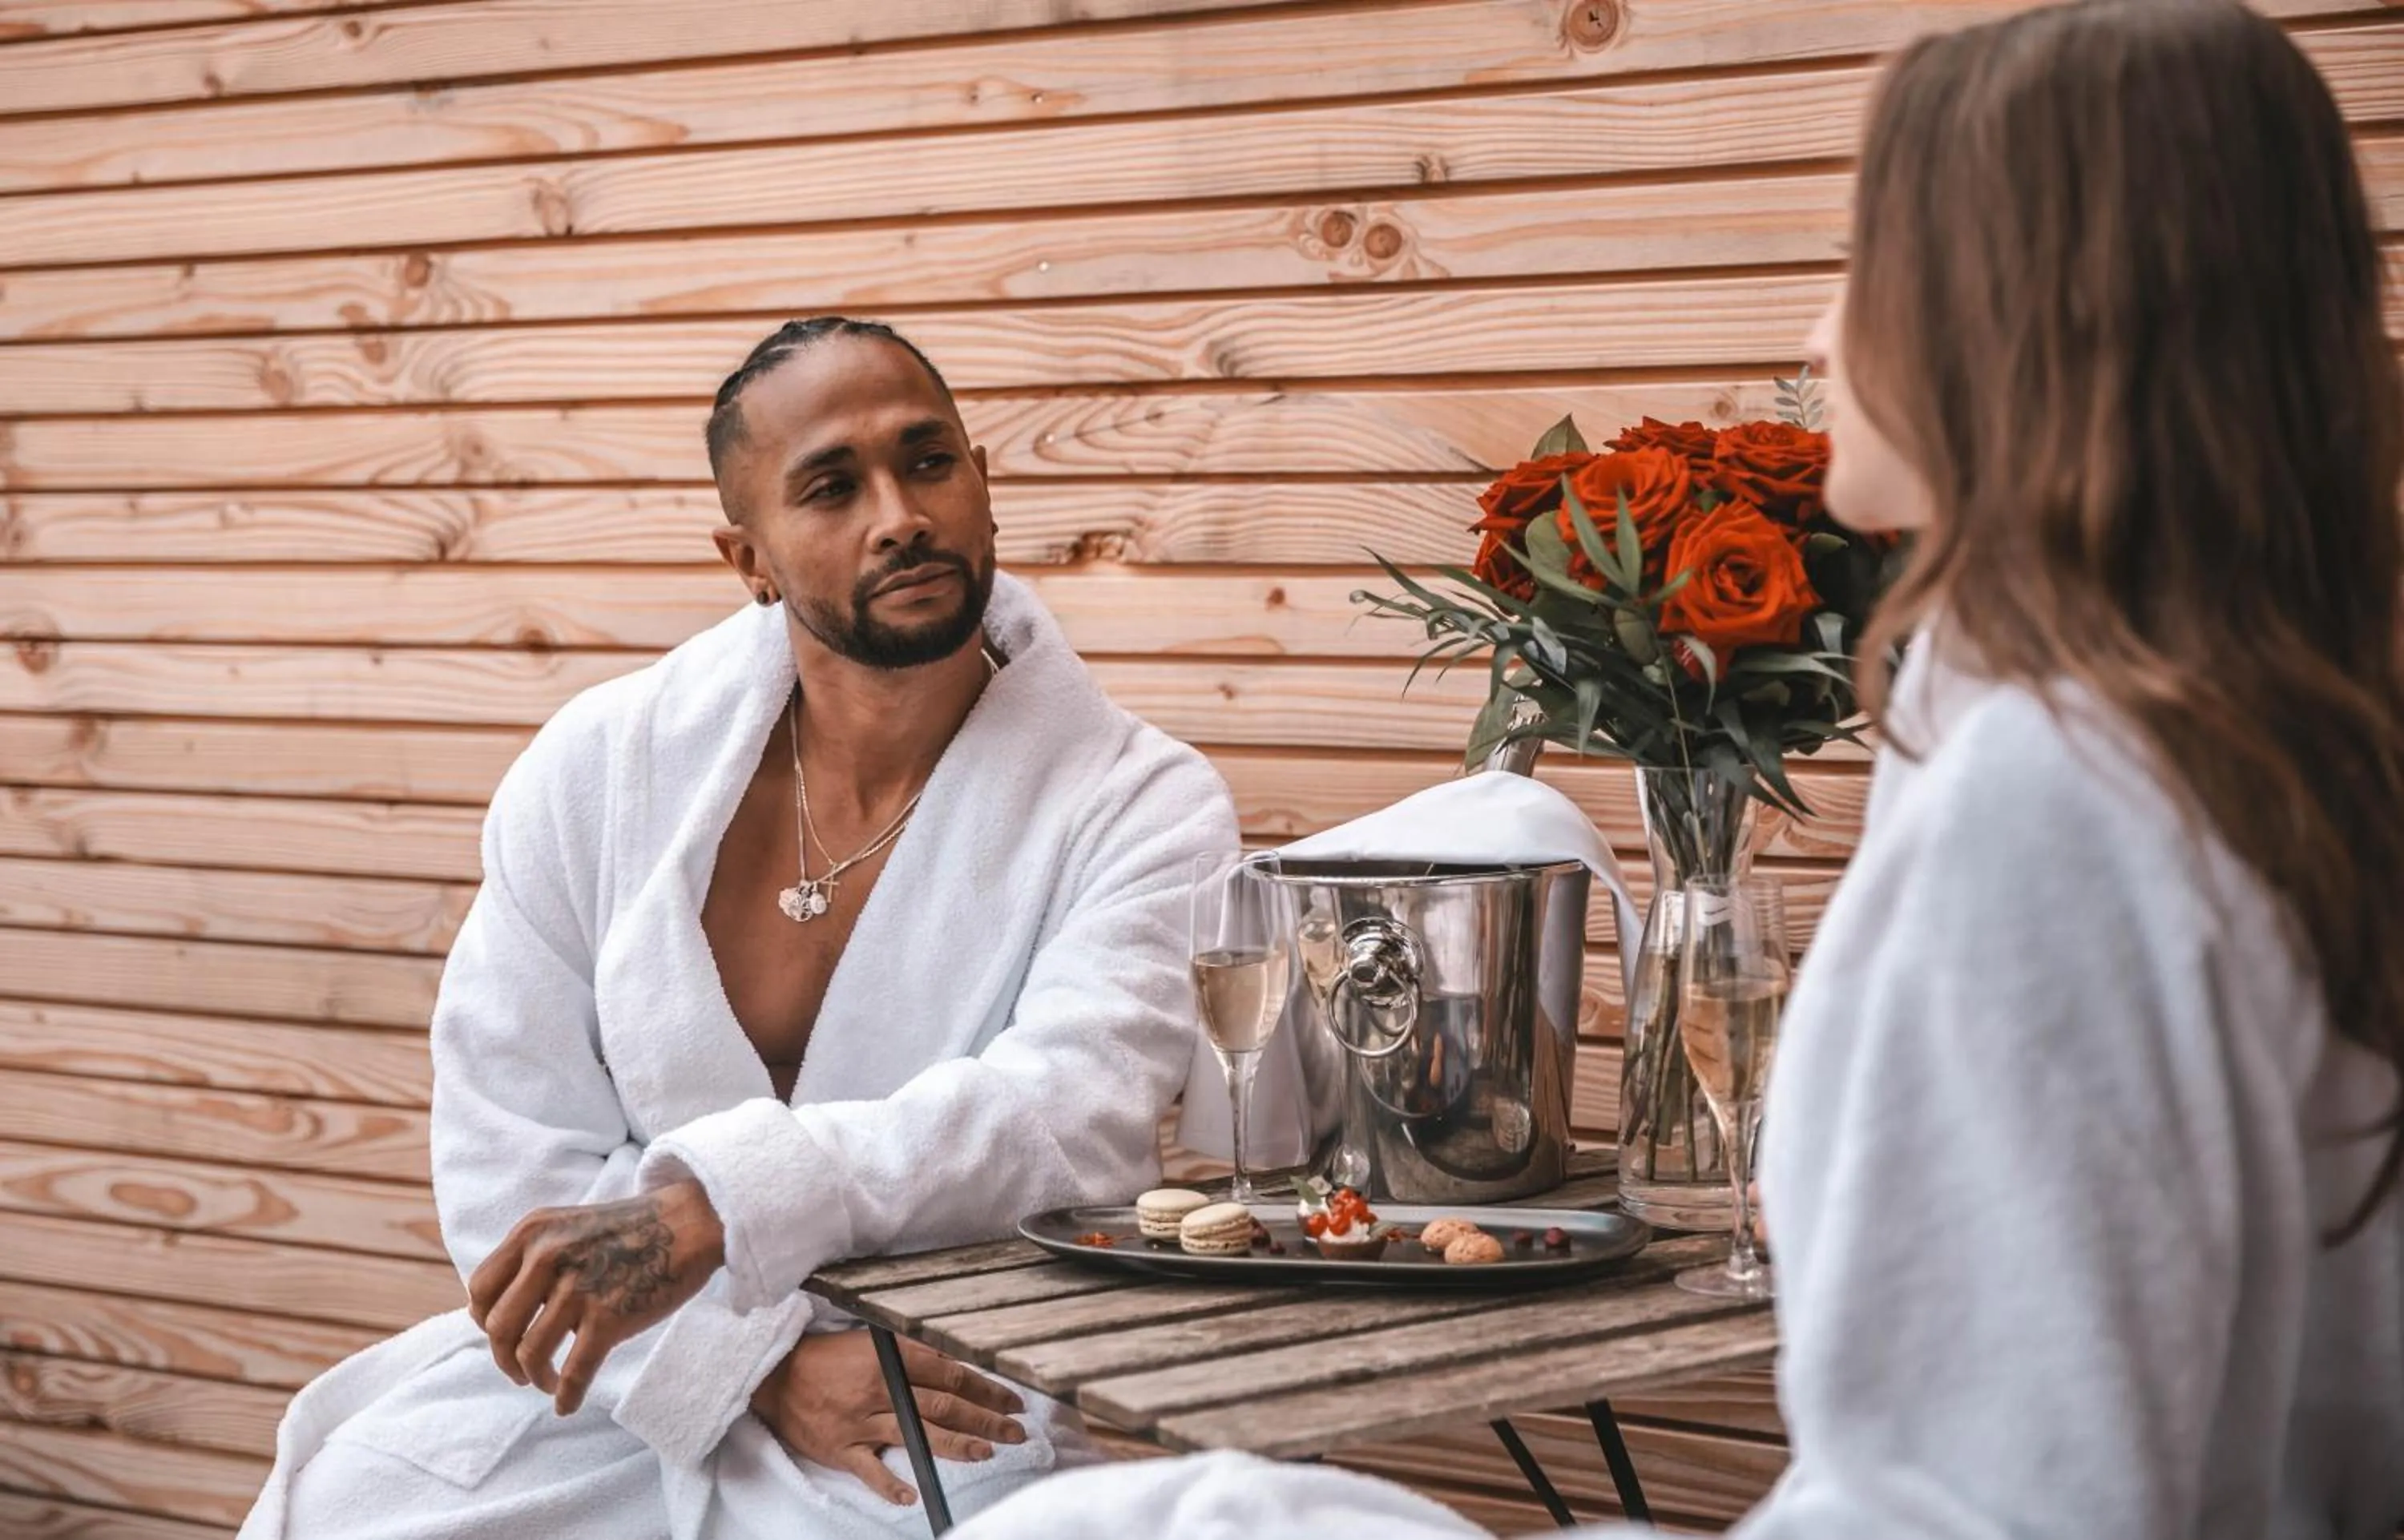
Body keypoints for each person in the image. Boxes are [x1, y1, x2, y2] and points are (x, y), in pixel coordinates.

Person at [942, 2, 2404, 1536]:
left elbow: (1993, 1502)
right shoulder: (2293, 766)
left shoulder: (2051, 801)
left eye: (1866, 259)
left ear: (2026, 313)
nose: (1824, 335)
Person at [237, 317, 1240, 1539]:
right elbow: (512, 1140)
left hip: (939, 1380)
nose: (898, 514)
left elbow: (1063, 1115)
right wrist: (746, 1371)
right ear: (749, 555)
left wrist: (723, 1203)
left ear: (985, 482)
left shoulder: (1141, 802)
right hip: (637, 1366)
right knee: (360, 1501)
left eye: (929, 463)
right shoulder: (601, 771)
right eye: (831, 485)